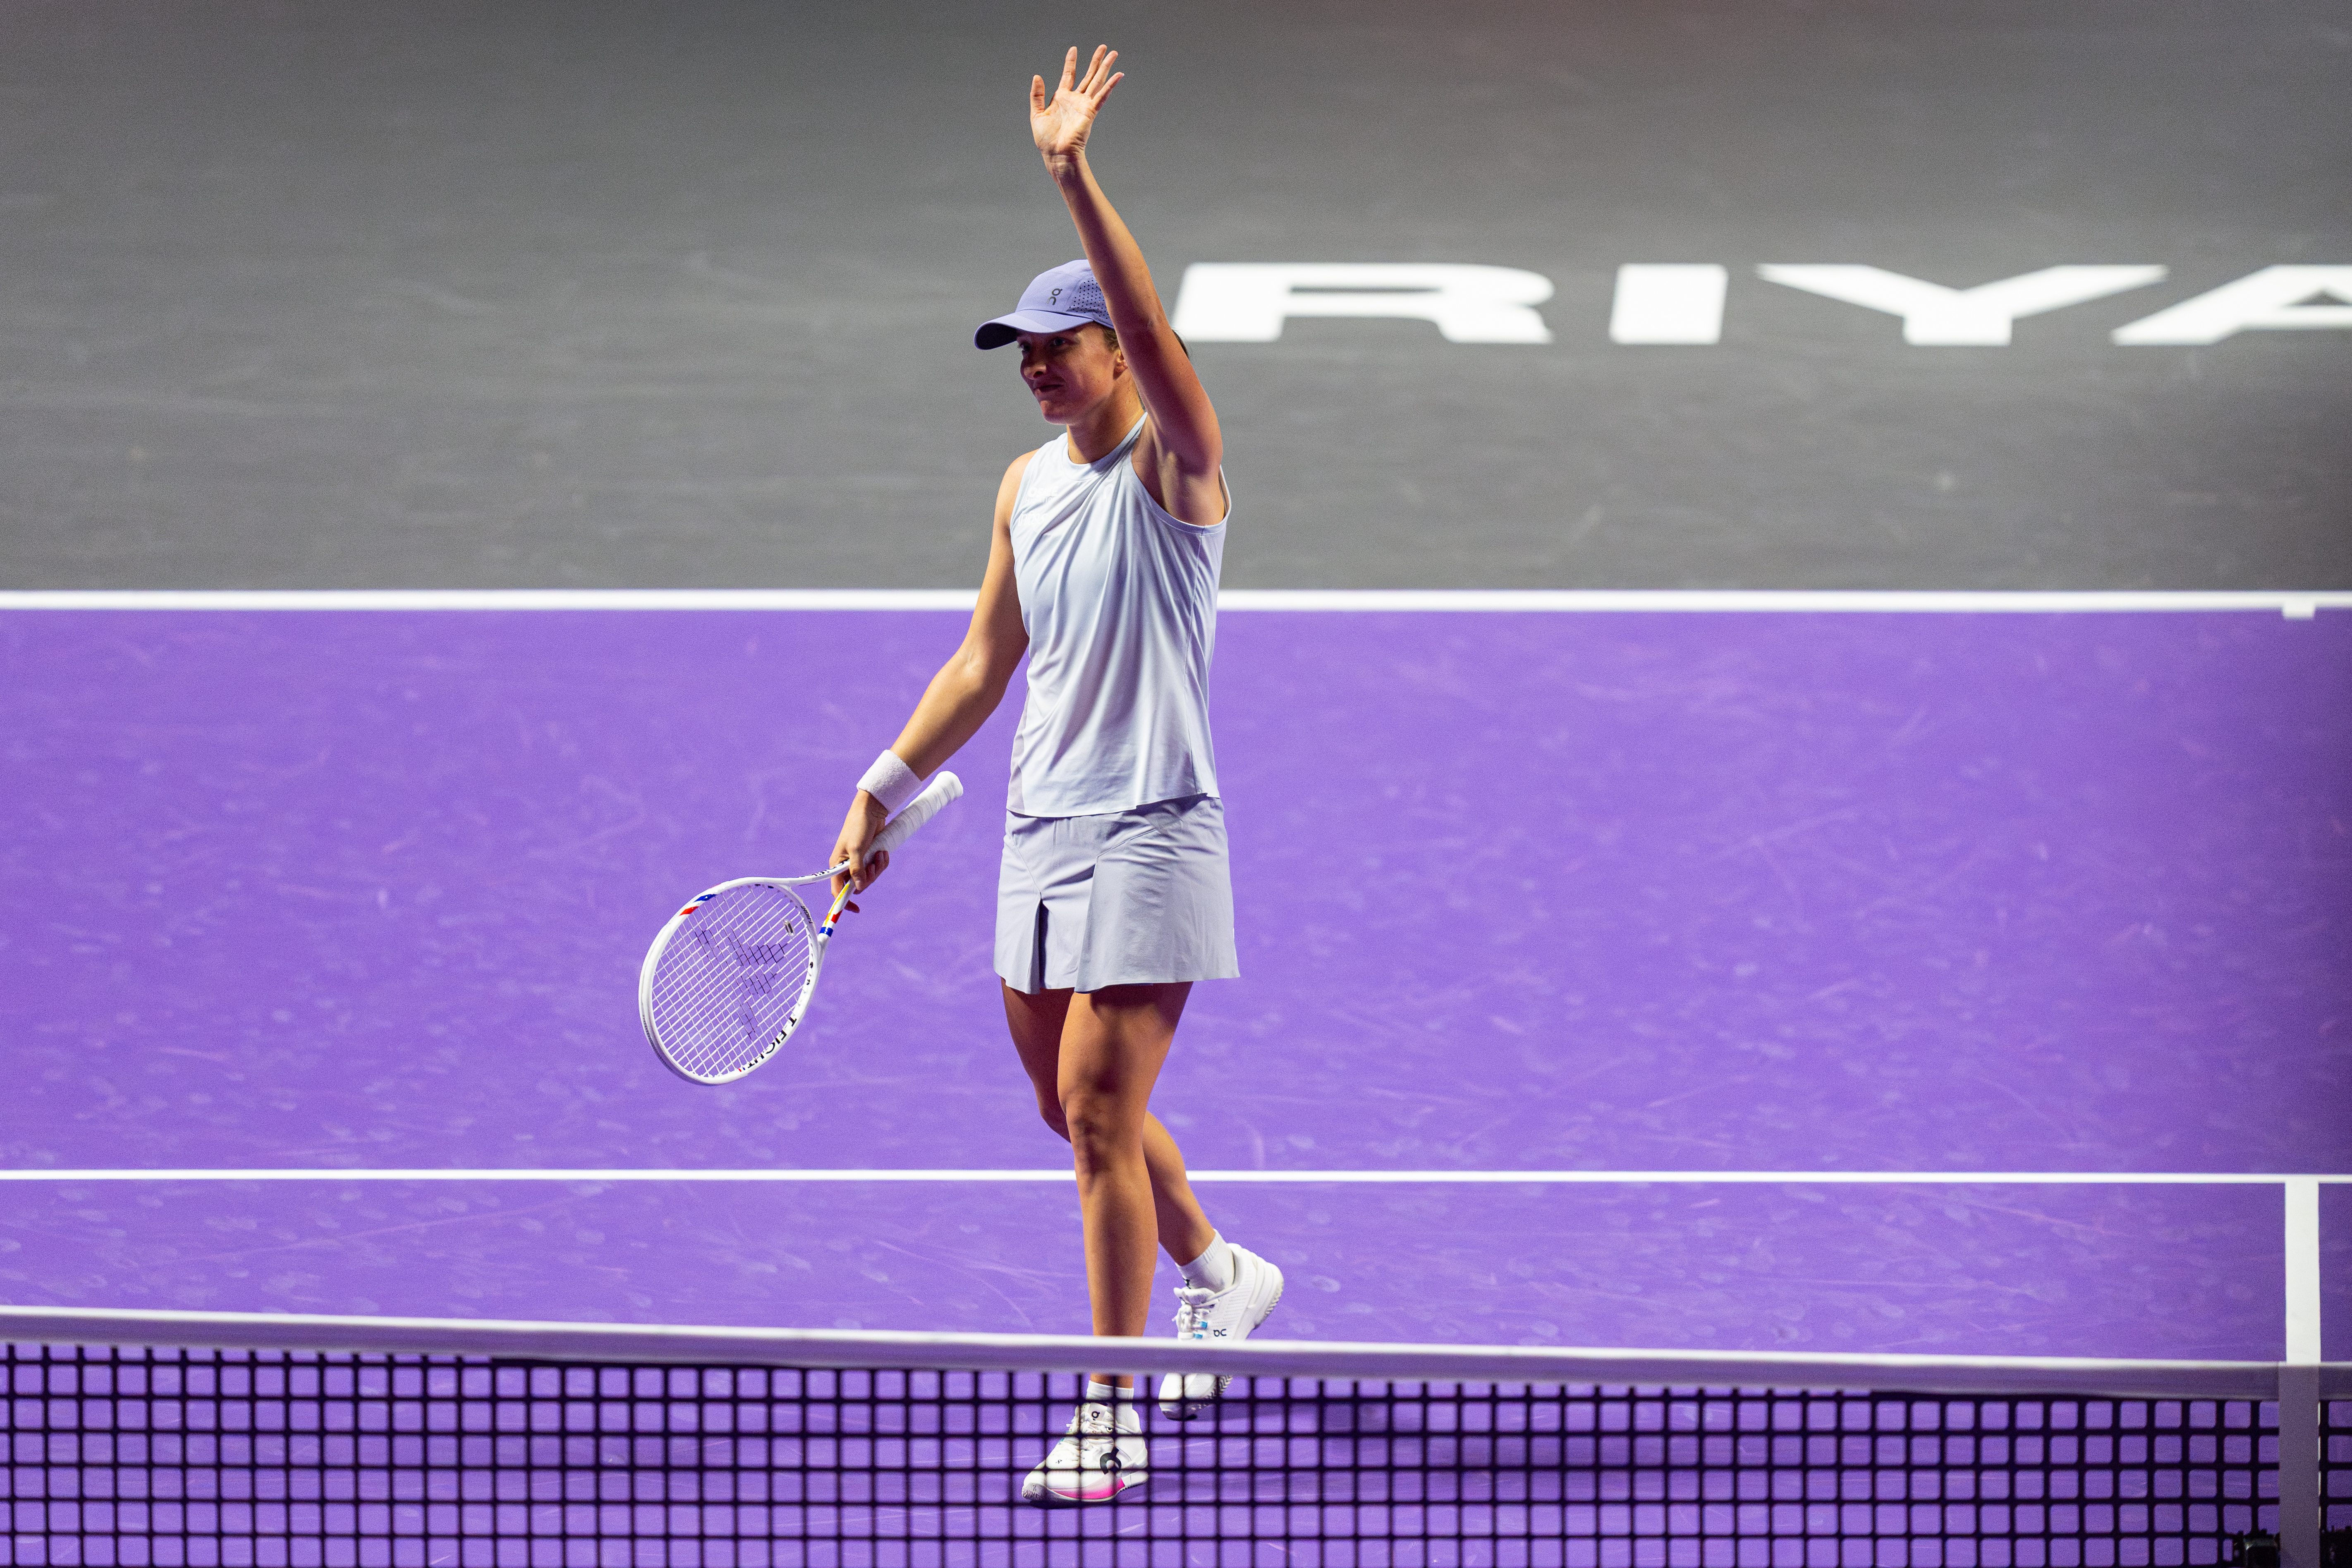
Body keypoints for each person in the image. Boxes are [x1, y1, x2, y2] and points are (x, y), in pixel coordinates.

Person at [826, 45, 1281, 1507]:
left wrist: (1071, 173)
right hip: (1042, 830)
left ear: (1113, 354)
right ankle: (1218, 1269)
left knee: (1094, 1113)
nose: (1032, 366)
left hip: (1153, 830)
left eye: (1054, 344)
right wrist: (881, 788)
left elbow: (1156, 334)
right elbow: (982, 657)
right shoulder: (1028, 486)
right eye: (1016, 349)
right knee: (1065, 1108)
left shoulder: (1177, 465)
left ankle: (1112, 1404)